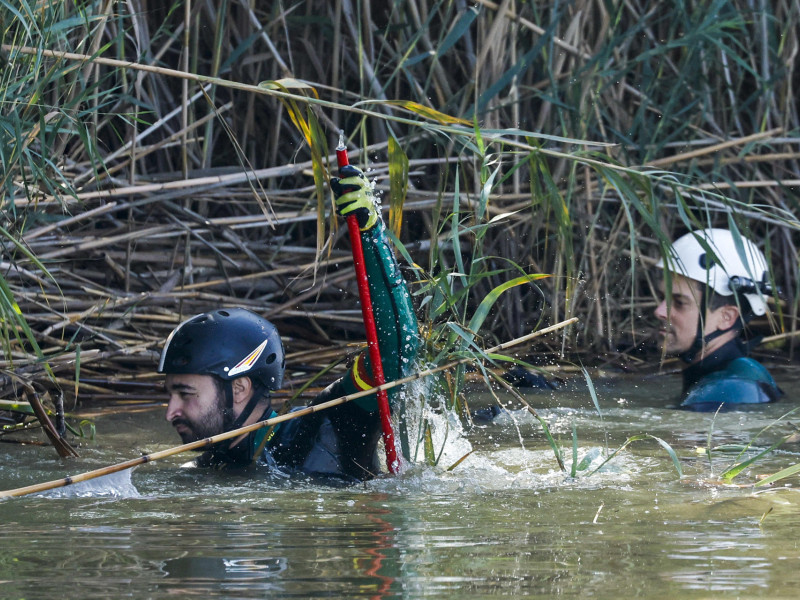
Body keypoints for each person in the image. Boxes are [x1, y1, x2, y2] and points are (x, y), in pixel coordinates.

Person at [158, 163, 419, 480]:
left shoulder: (326, 422)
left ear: (239, 388)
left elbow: (396, 352)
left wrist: (370, 233)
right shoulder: (206, 469)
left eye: (185, 394)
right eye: (171, 394)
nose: (171, 411)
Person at [654, 228, 782, 411]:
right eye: (662, 298)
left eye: (679, 302)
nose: (659, 311)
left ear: (726, 317)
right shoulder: (733, 379)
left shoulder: (728, 388)